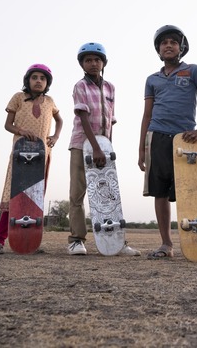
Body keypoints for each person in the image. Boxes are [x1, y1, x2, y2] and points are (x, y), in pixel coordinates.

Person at [138, 25, 197, 260]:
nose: (169, 45)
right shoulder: (152, 79)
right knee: (160, 192)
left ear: (181, 47)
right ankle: (166, 244)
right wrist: (142, 148)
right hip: (156, 137)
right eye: (164, 43)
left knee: (190, 190)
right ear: (158, 49)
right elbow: (146, 115)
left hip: (185, 140)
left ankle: (196, 242)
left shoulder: (193, 71)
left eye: (173, 42)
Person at [67, 42, 140, 256]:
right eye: (88, 60)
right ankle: (76, 240)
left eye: (97, 60)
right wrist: (96, 148)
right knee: (77, 193)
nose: (93, 63)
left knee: (109, 195)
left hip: (104, 148)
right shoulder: (80, 86)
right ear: (82, 64)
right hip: (82, 144)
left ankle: (116, 240)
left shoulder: (110, 88)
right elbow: (83, 116)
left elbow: (110, 120)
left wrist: (107, 148)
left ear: (103, 63)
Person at [0, 64, 63, 255]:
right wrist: (21, 131)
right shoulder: (18, 97)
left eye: (42, 78)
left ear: (47, 83)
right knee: (13, 196)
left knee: (35, 198)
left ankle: (30, 241)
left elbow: (60, 120)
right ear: (27, 80)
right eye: (34, 77)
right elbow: (7, 124)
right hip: (20, 153)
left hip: (42, 154)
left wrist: (55, 137)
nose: (38, 81)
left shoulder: (50, 101)